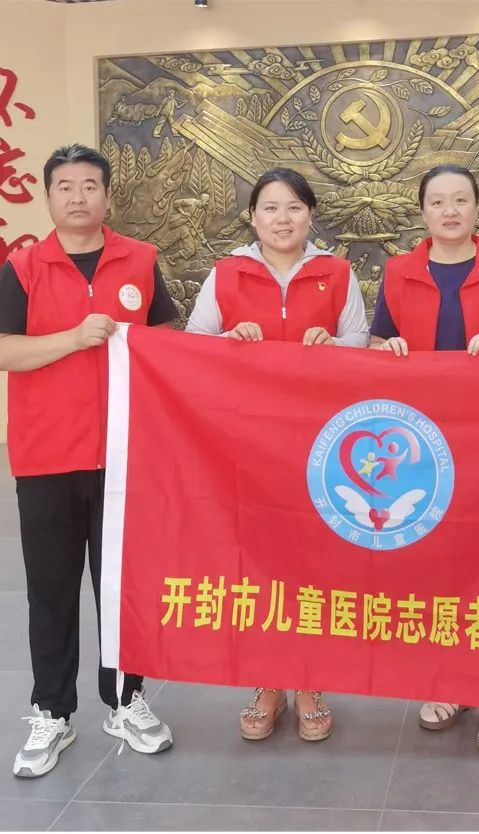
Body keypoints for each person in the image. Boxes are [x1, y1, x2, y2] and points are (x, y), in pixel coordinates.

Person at [0, 144, 178, 778]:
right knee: (52, 589)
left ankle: (124, 700)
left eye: (89, 185)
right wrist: (73, 338)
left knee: (122, 589)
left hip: (125, 456)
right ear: (48, 198)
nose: (77, 196)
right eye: (64, 186)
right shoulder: (23, 268)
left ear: (107, 196)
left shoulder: (141, 261)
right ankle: (52, 711)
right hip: (46, 456)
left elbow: (168, 341)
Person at [368, 163, 479, 753]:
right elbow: (376, 343)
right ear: (422, 211)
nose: (449, 211)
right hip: (421, 442)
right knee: (437, 562)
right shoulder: (398, 272)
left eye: (461, 200)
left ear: (477, 208)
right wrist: (387, 348)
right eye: (438, 202)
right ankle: (448, 680)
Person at [186, 167, 369, 742]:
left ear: (310, 214)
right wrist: (228, 342)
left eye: (293, 207)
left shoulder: (337, 273)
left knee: (313, 565)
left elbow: (361, 346)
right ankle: (267, 681)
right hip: (247, 445)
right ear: (252, 217)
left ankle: (309, 680)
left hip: (321, 446)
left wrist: (332, 345)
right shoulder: (226, 274)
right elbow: (191, 349)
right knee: (257, 562)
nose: (282, 218)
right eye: (270, 208)